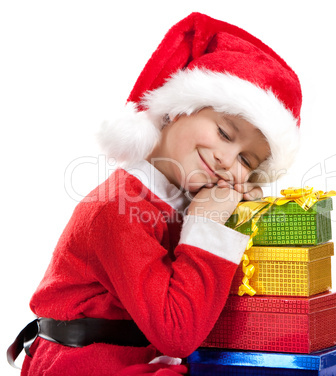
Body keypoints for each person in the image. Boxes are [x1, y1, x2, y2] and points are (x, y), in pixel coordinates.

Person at [8, 12, 303, 376]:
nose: (227, 159)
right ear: (177, 112)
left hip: (150, 356)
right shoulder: (118, 206)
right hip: (88, 363)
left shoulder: (189, 199)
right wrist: (208, 226)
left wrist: (244, 221)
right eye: (225, 134)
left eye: (246, 159)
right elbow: (177, 334)